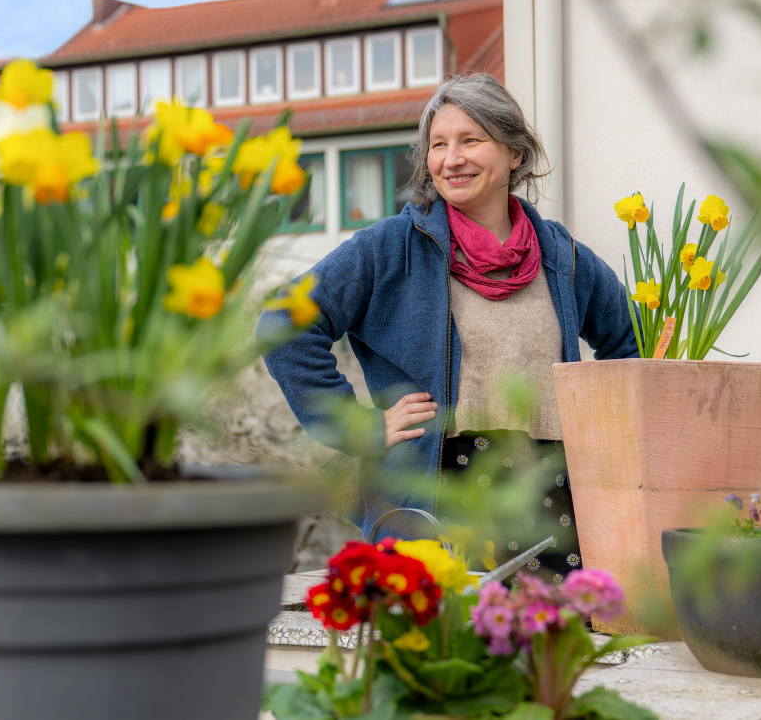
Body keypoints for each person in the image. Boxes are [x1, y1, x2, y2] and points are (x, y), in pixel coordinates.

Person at [258, 73, 637, 583]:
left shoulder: (561, 255)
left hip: (550, 504)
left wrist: (603, 443)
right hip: (433, 500)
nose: (450, 159)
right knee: (439, 652)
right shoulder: (389, 248)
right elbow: (284, 323)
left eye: (470, 140)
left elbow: (631, 351)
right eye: (438, 144)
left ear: (515, 154)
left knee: (549, 654)